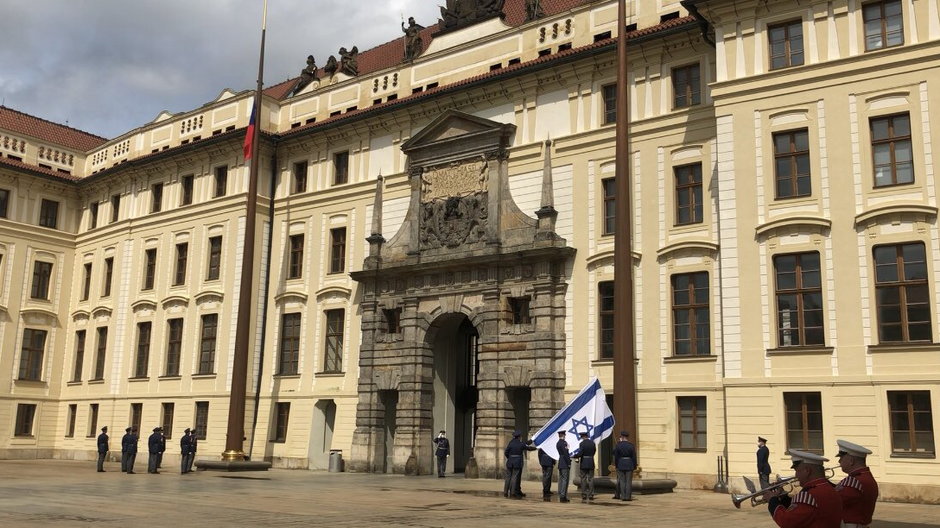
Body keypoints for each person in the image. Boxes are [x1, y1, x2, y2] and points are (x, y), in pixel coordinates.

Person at [765, 449, 842, 528]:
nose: (796, 475)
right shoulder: (831, 488)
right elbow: (804, 512)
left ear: (807, 471)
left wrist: (772, 501)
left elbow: (787, 522)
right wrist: (783, 497)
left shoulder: (809, 495)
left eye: (797, 471)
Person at [835, 439, 879, 528]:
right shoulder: (864, 477)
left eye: (841, 458)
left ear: (851, 460)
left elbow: (834, 502)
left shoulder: (854, 481)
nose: (839, 462)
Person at [503, 431, 535, 498]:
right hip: (517, 462)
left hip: (509, 462)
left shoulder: (510, 443)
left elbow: (506, 452)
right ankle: (512, 493)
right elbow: (528, 448)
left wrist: (510, 458)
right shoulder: (520, 444)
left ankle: (505, 492)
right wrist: (536, 448)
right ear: (519, 437)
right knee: (514, 477)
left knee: (508, 477)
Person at [612, 430, 637, 501]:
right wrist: (634, 466)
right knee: (628, 481)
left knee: (622, 481)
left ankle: (623, 496)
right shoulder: (631, 445)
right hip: (629, 464)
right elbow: (634, 457)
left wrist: (616, 465)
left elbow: (616, 456)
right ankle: (628, 497)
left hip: (621, 464)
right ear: (627, 437)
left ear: (622, 437)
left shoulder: (618, 445)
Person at [572, 430, 596, 503]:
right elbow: (594, 451)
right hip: (591, 461)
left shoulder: (582, 444)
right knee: (591, 479)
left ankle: (584, 494)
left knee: (583, 479)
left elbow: (580, 453)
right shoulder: (592, 443)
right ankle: (591, 494)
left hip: (584, 462)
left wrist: (574, 456)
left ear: (583, 437)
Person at [555, 431, 571, 503]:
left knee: (561, 479)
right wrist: (569, 462)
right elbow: (565, 454)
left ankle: (560, 493)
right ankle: (563, 496)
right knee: (565, 480)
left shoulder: (558, 443)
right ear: (563, 435)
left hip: (560, 462)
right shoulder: (564, 443)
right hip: (564, 462)